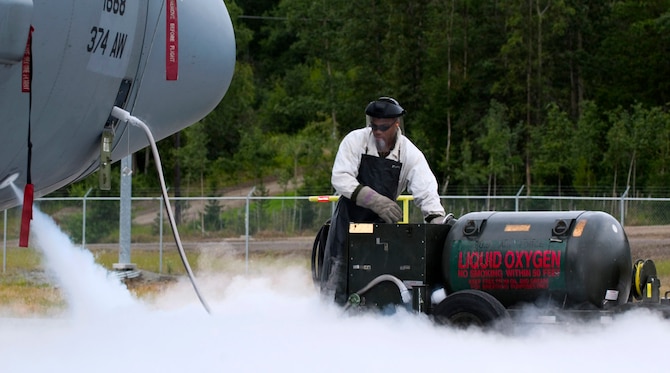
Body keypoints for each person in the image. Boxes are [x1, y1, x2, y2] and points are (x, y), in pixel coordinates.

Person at [319, 96, 451, 304]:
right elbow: (340, 177)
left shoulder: (409, 153)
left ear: (396, 125)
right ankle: (330, 318)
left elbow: (426, 191)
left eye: (384, 127)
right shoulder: (355, 141)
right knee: (337, 279)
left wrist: (436, 220)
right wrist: (374, 200)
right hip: (347, 223)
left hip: (381, 229)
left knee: (378, 281)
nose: (378, 132)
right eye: (374, 127)